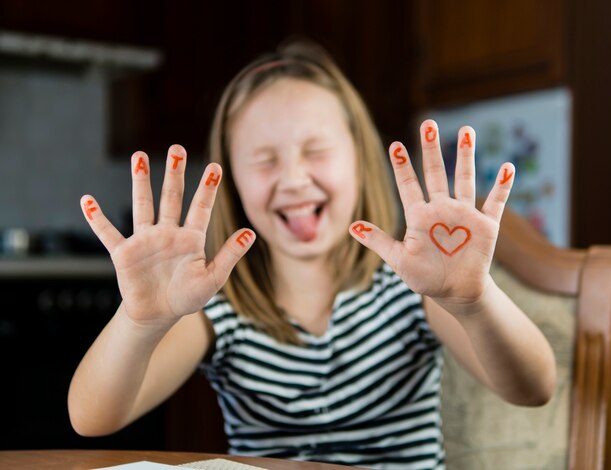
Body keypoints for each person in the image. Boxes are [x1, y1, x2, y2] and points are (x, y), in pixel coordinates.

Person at [68, 40, 556, 469]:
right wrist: (140, 322)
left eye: (316, 150)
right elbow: (93, 418)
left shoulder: (414, 285)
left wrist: (473, 301)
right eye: (264, 160)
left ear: (358, 158)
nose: (295, 180)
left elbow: (534, 387)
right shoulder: (219, 308)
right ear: (233, 180)